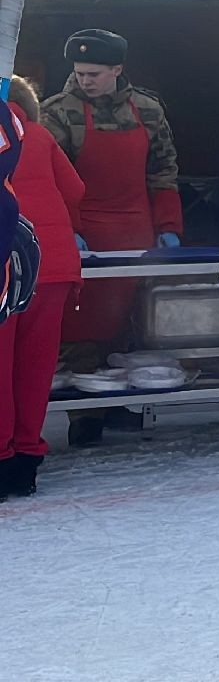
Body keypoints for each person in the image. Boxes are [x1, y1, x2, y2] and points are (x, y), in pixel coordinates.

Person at [41, 28, 183, 446]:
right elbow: (51, 182)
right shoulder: (57, 113)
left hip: (137, 230)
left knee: (129, 322)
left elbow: (163, 171)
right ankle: (85, 415)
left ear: (118, 71)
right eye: (80, 72)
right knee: (82, 327)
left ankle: (120, 401)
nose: (85, 80)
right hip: (86, 230)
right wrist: (69, 231)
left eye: (95, 73)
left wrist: (169, 228)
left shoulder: (148, 110)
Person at [0, 78, 80, 500]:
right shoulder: (41, 135)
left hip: (5, 266)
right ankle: (25, 464)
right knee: (34, 368)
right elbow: (76, 190)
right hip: (51, 266)